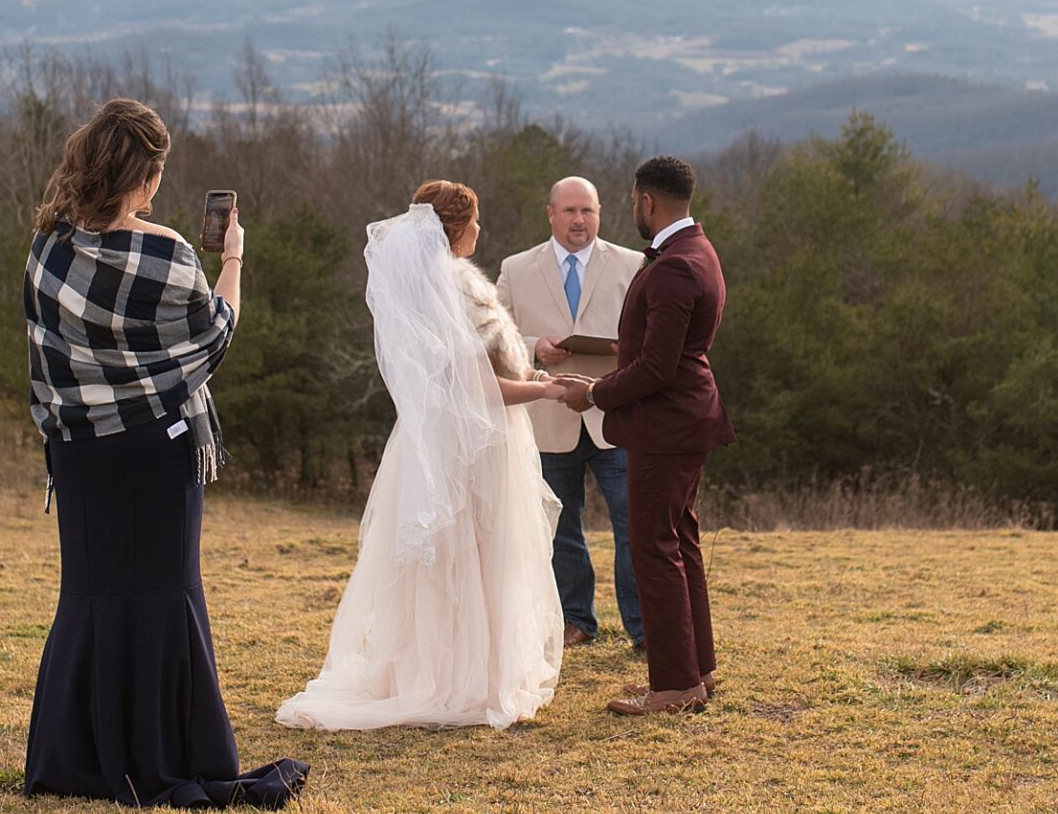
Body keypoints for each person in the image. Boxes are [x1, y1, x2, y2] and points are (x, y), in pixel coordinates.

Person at [22, 97, 306, 809]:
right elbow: (213, 334)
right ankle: (170, 752)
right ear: (141, 175)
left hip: (80, 451)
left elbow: (50, 349)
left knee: (88, 597)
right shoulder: (168, 251)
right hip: (156, 449)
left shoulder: (49, 246)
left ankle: (75, 754)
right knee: (164, 598)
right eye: (156, 173)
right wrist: (234, 256)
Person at [277, 181, 573, 731]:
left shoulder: (435, 289)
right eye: (476, 221)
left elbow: (492, 370)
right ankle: (461, 677)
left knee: (452, 560)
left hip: (445, 440)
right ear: (456, 229)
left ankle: (442, 667)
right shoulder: (453, 290)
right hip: (475, 446)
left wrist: (535, 375)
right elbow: (479, 388)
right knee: (474, 557)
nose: (480, 231)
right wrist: (547, 392)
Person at [554, 155, 732, 716]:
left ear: (647, 201)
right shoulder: (696, 250)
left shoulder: (677, 265)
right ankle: (697, 668)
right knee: (679, 542)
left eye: (633, 200)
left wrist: (595, 393)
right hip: (683, 419)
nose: (634, 208)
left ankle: (676, 686)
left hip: (666, 425)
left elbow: (657, 367)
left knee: (654, 547)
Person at [496, 176, 646, 654]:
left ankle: (644, 627)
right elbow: (489, 340)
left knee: (635, 524)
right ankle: (576, 621)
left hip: (615, 415)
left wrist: (629, 348)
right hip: (549, 418)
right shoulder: (516, 269)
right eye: (570, 211)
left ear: (600, 213)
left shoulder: (633, 264)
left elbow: (652, 332)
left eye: (589, 211)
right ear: (550, 214)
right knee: (561, 528)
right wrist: (532, 347)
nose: (580, 220)